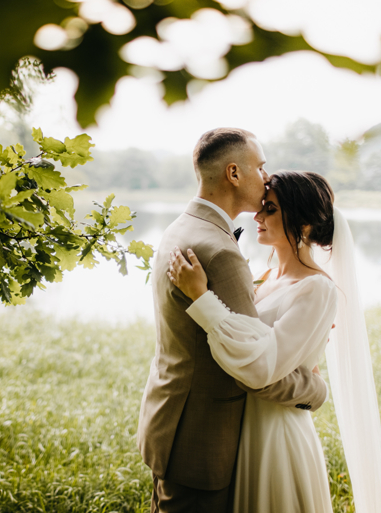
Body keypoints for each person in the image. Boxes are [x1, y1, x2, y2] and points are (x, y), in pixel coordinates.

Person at [167, 170, 381, 512]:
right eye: (262, 207)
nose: (257, 216)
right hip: (244, 426)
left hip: (276, 434)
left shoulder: (317, 289)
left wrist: (202, 299)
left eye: (270, 209)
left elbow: (261, 368)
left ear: (304, 225)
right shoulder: (265, 276)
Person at [136, 128, 330, 513]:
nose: (265, 176)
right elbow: (254, 366)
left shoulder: (181, 228)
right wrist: (315, 389)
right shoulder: (221, 252)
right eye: (259, 166)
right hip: (201, 438)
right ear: (233, 173)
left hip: (174, 423)